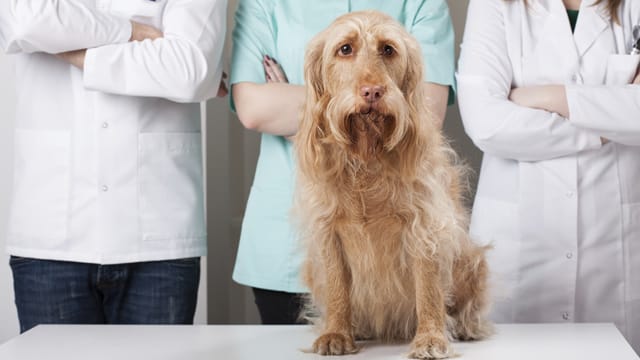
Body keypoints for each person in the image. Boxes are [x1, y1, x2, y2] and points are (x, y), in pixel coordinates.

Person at [0, 0, 227, 331]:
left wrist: (63, 43)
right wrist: (132, 32)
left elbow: (189, 71)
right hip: (50, 234)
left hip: (159, 234)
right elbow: (26, 20)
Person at [230, 0, 456, 324]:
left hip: (398, 271)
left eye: (388, 52)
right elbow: (253, 109)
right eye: (345, 50)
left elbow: (425, 114)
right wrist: (366, 113)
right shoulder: (263, 3)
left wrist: (312, 108)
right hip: (282, 247)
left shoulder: (423, 3)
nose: (370, 86)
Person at [457, 0, 640, 352]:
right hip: (518, 256)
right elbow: (487, 123)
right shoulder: (494, 4)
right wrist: (603, 129)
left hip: (615, 255)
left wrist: (552, 97)